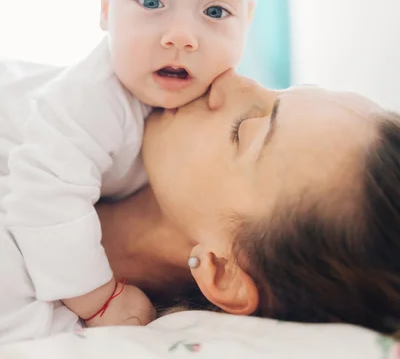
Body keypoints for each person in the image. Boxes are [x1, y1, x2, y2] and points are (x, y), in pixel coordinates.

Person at [2, 0, 254, 329]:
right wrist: (100, 300)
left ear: (245, 24)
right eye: (152, 2)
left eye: (215, 10)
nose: (181, 35)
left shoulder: (216, 98)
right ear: (105, 7)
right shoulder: (93, 99)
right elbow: (44, 197)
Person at [1, 67, 400, 343]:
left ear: (222, 271)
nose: (227, 78)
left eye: (244, 129)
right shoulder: (90, 116)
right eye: (280, 88)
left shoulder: (26, 318)